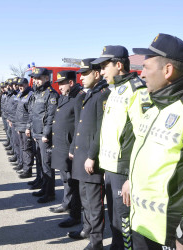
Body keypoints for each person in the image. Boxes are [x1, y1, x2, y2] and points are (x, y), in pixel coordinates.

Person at [128, 33, 183, 250]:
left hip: (171, 231)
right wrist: (131, 181)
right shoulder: (156, 105)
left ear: (167, 70)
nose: (141, 73)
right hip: (142, 223)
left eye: (146, 67)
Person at [91, 45, 151, 250]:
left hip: (124, 169)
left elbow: (143, 136)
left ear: (119, 65)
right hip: (111, 167)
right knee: (115, 221)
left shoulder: (137, 90)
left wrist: (132, 176)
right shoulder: (115, 89)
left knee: (125, 223)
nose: (101, 71)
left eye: (104, 65)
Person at [67, 59, 110, 250]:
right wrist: (73, 149)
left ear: (97, 74)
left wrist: (92, 156)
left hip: (91, 158)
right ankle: (86, 229)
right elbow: (80, 126)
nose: (81, 78)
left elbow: (101, 129)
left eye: (85, 74)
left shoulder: (103, 94)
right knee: (85, 199)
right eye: (80, 74)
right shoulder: (90, 94)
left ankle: (96, 242)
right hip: (81, 155)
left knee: (94, 203)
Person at [48, 70, 83, 228]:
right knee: (65, 179)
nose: (59, 87)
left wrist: (73, 147)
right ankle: (66, 203)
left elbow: (78, 125)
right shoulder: (64, 96)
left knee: (73, 182)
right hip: (61, 144)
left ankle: (74, 214)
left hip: (70, 146)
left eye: (62, 83)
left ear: (70, 82)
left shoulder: (78, 97)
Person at [28, 67, 59, 203]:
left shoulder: (51, 94)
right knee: (40, 162)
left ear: (47, 78)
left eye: (39, 78)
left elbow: (51, 116)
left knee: (47, 165)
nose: (36, 81)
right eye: (34, 78)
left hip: (44, 135)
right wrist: (32, 129)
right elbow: (33, 113)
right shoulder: (36, 93)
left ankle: (50, 193)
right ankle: (43, 187)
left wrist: (46, 134)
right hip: (37, 133)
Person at [14, 78, 34, 178]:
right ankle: (24, 167)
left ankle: (28, 170)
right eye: (19, 85)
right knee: (22, 147)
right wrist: (17, 126)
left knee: (27, 149)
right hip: (20, 125)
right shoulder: (20, 94)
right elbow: (18, 111)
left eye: (22, 85)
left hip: (25, 126)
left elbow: (31, 113)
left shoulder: (30, 95)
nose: (20, 87)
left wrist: (28, 127)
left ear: (26, 84)